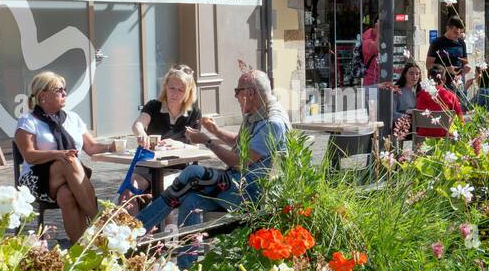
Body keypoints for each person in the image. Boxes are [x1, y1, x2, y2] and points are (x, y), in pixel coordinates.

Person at [136, 70, 291, 233]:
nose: (236, 96)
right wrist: (215, 131)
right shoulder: (259, 112)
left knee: (192, 173)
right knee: (190, 200)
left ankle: (136, 231)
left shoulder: (272, 123)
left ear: (250, 93)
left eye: (237, 91)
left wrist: (207, 141)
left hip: (249, 192)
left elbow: (241, 161)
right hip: (238, 183)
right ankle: (188, 258)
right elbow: (240, 142)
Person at [15, 71, 113, 243]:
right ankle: (98, 221)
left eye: (64, 89)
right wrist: (58, 154)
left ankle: (82, 250)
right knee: (69, 159)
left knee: (67, 196)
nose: (64, 93)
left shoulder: (73, 118)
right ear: (43, 95)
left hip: (69, 179)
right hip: (36, 179)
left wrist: (111, 146)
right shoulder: (28, 121)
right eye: (59, 90)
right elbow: (29, 156)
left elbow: (90, 147)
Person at [125, 66, 202, 199]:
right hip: (148, 166)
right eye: (172, 88)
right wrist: (141, 134)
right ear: (165, 87)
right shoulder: (154, 106)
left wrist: (180, 145)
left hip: (177, 169)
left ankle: (159, 218)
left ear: (188, 92)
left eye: (180, 90)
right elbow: (137, 124)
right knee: (128, 193)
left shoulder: (194, 113)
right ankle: (133, 220)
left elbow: (195, 148)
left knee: (161, 194)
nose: (175, 93)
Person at [415, 64, 464, 140]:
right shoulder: (451, 96)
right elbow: (461, 120)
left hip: (423, 136)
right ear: (444, 79)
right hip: (444, 137)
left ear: (429, 79)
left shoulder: (420, 95)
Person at [427, 16, 470, 89]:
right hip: (440, 84)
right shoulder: (437, 42)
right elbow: (428, 65)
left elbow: (465, 61)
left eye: (460, 32)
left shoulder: (462, 43)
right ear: (448, 28)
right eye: (455, 32)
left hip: (457, 84)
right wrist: (446, 69)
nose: (458, 35)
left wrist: (466, 67)